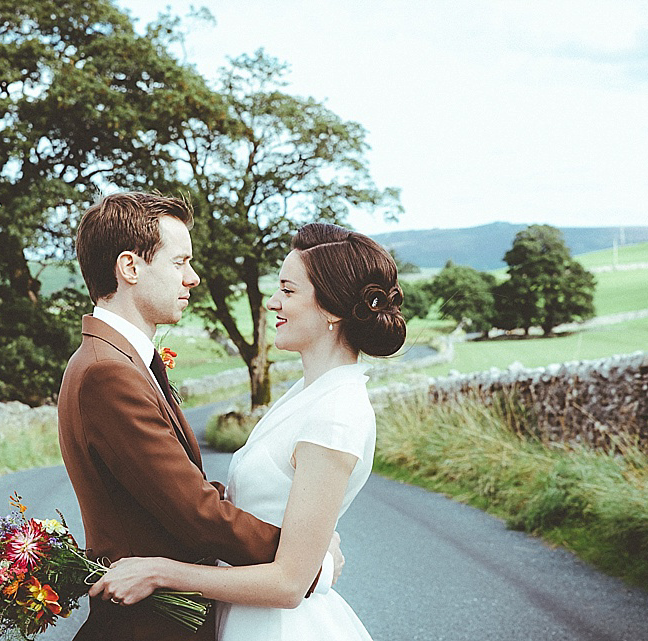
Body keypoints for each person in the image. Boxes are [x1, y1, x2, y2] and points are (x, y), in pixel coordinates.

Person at [88, 221, 406, 640]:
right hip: (244, 618)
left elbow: (290, 583)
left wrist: (162, 572)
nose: (272, 302)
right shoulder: (308, 393)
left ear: (331, 309)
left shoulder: (337, 412)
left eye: (288, 291)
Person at [57, 193, 341, 641]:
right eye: (179, 263)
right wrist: (304, 558)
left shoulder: (118, 361)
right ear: (129, 268)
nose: (193, 278)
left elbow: (176, 488)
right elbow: (196, 513)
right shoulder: (107, 373)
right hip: (147, 628)